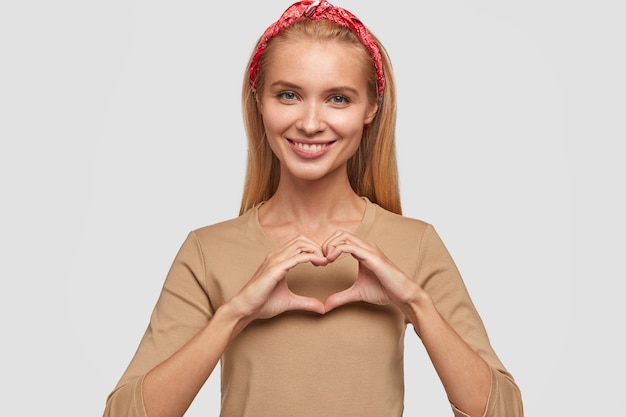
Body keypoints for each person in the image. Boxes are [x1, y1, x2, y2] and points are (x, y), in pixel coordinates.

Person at [103, 1, 523, 416]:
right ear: (259, 102)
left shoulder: (414, 244)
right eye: (288, 95)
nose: (309, 122)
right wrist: (234, 314)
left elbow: (505, 411)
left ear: (370, 109)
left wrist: (415, 303)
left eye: (338, 99)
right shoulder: (206, 250)